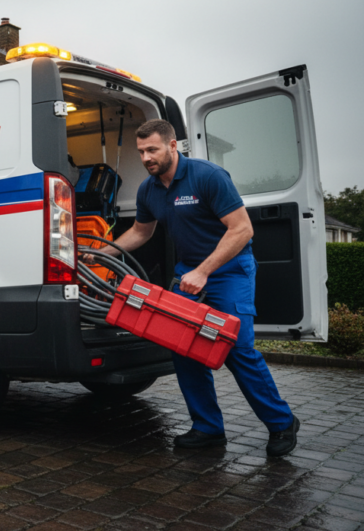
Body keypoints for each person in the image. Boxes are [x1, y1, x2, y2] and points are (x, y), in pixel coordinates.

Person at [87, 119, 298, 457]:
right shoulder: (149, 189)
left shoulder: (208, 176)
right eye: (141, 151)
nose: (146, 157)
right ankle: (207, 428)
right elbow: (142, 232)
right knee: (183, 346)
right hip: (191, 273)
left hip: (230, 271)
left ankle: (281, 422)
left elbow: (242, 230)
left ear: (173, 146)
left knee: (236, 347)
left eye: (152, 149)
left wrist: (203, 271)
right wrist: (98, 253)